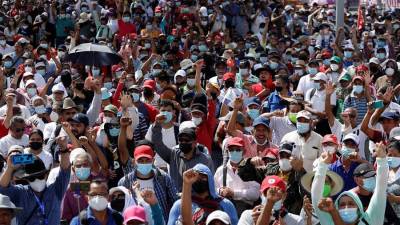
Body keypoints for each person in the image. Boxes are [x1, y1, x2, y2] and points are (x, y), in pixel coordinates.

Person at [311, 142, 388, 225]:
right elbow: (316, 199)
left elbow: (380, 190)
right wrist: (322, 165)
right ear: (336, 208)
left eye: (351, 204)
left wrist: (382, 160)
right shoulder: (330, 222)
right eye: (342, 205)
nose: (346, 208)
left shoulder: (371, 220)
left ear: (359, 208)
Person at [0, 142, 70, 225]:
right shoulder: (21, 192)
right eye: (32, 178)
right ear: (27, 180)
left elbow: (65, 170)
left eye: (40, 176)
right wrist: (9, 168)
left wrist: (64, 148)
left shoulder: (55, 189)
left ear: (46, 175)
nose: (36, 180)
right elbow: (3, 187)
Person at [150, 117, 214, 191]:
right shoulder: (173, 155)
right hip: (177, 199)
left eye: (187, 140)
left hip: (197, 200)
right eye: (181, 140)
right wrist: (157, 125)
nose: (183, 142)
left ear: (195, 142)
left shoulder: (205, 160)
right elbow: (158, 145)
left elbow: (210, 183)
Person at [214, 137, 260, 215]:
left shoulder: (251, 170)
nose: (234, 152)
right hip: (224, 211)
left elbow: (255, 193)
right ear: (227, 151)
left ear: (244, 151)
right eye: (231, 150)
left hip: (245, 211)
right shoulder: (220, 170)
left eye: (238, 150)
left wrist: (234, 193)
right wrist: (220, 191)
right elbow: (213, 189)